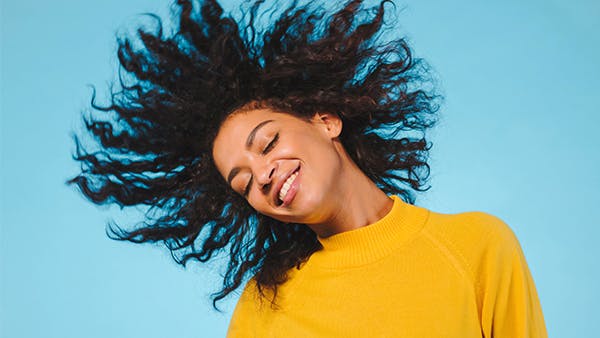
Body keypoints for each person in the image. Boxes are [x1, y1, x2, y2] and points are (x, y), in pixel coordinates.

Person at [69, 0, 548, 336]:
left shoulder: (476, 248)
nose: (263, 175)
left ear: (326, 120)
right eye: (244, 183)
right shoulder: (265, 305)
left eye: (269, 142)